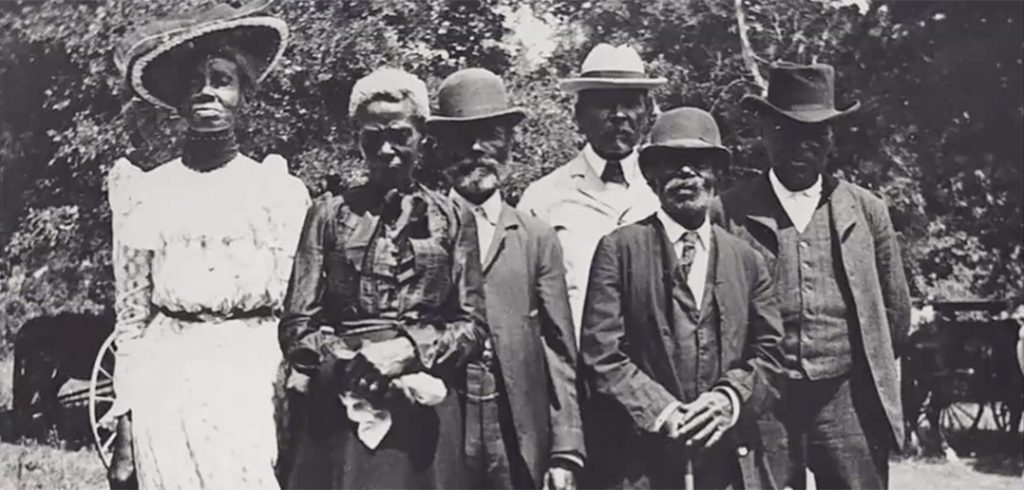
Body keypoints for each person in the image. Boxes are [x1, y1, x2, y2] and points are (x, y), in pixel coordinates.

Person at [106, 2, 310, 488]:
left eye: (221, 79)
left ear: (243, 95)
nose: (206, 92)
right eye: (193, 83)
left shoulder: (275, 191)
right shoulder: (147, 193)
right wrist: (125, 422)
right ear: (177, 100)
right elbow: (132, 319)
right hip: (169, 378)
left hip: (252, 378)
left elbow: (296, 309)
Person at [278, 67, 488, 489]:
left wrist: (409, 351)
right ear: (357, 139)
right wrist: (349, 360)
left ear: (421, 135)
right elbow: (297, 325)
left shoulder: (452, 216)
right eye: (372, 138)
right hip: (342, 411)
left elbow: (472, 326)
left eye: (399, 135)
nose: (387, 150)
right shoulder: (327, 214)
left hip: (424, 416)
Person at [712, 62, 912, 489]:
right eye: (786, 131)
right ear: (764, 131)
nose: (801, 146)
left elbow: (894, 312)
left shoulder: (865, 209)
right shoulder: (728, 211)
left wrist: (854, 369)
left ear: (830, 139)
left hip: (845, 398)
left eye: (816, 134)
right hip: (763, 395)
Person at [581, 107, 784, 489]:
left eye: (699, 162)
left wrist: (730, 399)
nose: (686, 173)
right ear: (651, 176)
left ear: (719, 175)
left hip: (726, 463)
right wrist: (662, 411)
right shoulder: (619, 250)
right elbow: (600, 354)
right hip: (642, 462)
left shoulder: (747, 260)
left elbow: (772, 353)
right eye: (671, 163)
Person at [427, 68, 585, 490]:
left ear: (510, 142)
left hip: (516, 425)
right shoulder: (419, 230)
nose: (477, 149)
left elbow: (558, 349)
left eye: (491, 135)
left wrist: (565, 450)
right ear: (441, 149)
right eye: (463, 138)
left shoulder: (536, 236)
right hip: (441, 423)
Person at [518, 44, 665, 337]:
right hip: (575, 370)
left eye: (630, 102)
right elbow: (526, 306)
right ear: (578, 115)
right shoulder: (543, 199)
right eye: (603, 103)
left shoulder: (665, 192)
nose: (618, 115)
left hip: (655, 373)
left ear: (648, 113)